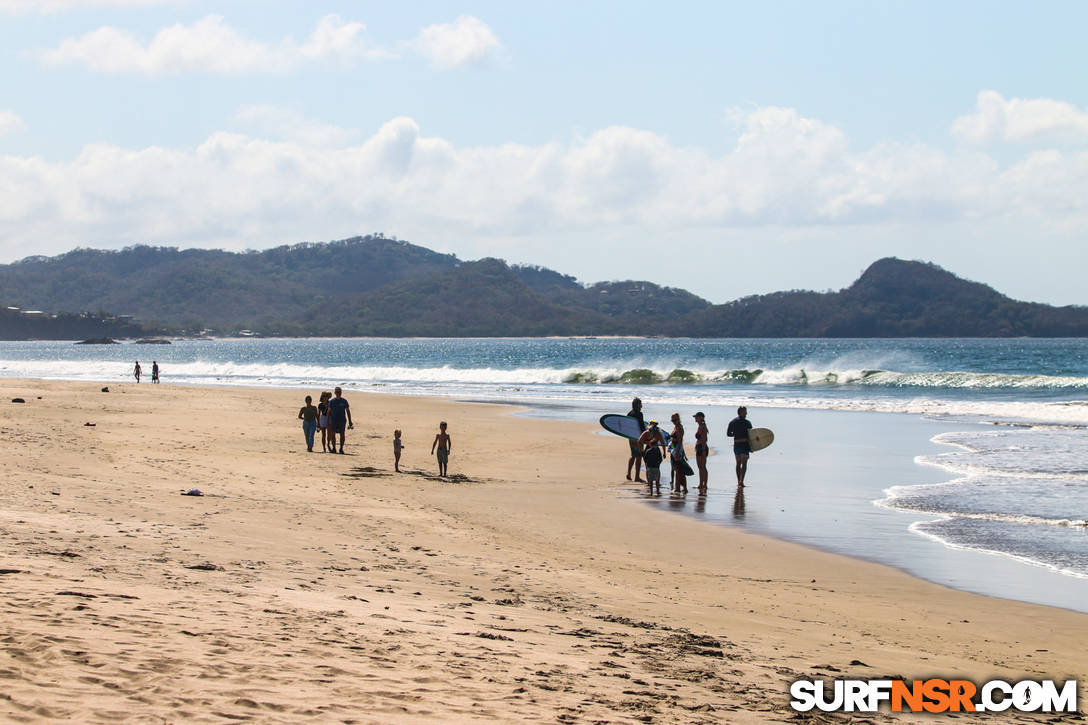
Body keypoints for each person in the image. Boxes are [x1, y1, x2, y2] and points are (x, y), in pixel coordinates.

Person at [637, 419, 668, 494]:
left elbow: (639, 441)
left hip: (648, 450)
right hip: (656, 450)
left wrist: (641, 450)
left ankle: (649, 482)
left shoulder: (647, 433)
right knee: (656, 467)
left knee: (648, 467)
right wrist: (664, 453)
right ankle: (656, 482)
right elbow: (663, 443)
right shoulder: (658, 433)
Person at [727, 405, 753, 486]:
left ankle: (739, 481)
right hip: (744, 445)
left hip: (736, 445)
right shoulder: (747, 423)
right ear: (741, 412)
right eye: (745, 411)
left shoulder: (732, 422)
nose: (746, 413)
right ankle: (741, 481)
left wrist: (735, 434)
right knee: (744, 463)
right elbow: (751, 436)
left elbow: (728, 434)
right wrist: (752, 447)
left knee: (738, 463)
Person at [625, 397, 647, 482]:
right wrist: (645, 436)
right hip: (638, 437)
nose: (641, 406)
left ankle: (628, 473)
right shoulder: (639, 414)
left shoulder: (629, 413)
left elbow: (626, 425)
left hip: (631, 437)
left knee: (633, 455)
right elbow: (641, 426)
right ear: (638, 405)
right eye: (640, 404)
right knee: (639, 456)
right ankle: (637, 477)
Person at [327, 387, 353, 454]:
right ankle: (334, 448)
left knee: (342, 434)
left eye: (340, 392)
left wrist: (350, 421)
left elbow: (348, 411)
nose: (339, 393)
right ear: (335, 393)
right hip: (333, 420)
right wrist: (327, 421)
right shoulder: (332, 401)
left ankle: (341, 448)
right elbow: (328, 412)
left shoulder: (344, 401)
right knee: (333, 435)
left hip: (342, 420)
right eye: (337, 392)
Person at [669, 412, 687, 493]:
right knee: (677, 469)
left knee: (679, 470)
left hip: (677, 450)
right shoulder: (675, 427)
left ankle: (679, 488)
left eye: (675, 420)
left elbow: (680, 441)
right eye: (672, 420)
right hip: (674, 449)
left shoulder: (679, 428)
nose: (673, 421)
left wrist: (677, 453)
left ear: (679, 419)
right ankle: (679, 487)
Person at [693, 411, 709, 492]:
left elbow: (704, 439)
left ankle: (702, 484)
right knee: (702, 467)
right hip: (701, 447)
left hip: (702, 448)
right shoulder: (701, 426)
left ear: (701, 418)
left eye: (696, 417)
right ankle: (703, 484)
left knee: (701, 467)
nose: (695, 418)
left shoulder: (702, 427)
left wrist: (702, 450)